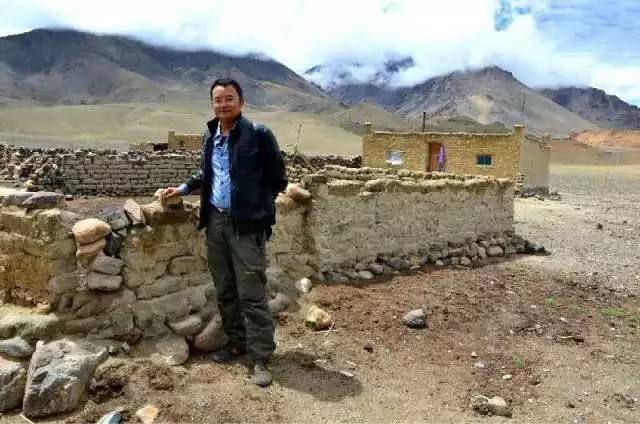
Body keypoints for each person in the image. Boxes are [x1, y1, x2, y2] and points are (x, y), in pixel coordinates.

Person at [161, 78, 287, 387]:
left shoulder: (258, 134)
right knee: (225, 288)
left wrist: (256, 208)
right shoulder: (210, 135)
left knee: (252, 293)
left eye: (229, 98)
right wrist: (182, 189)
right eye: (218, 100)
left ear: (241, 102)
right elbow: (207, 173)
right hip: (215, 222)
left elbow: (278, 178)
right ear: (212, 104)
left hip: (247, 226)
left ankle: (261, 356)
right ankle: (236, 342)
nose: (223, 104)